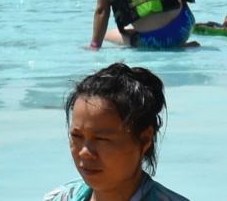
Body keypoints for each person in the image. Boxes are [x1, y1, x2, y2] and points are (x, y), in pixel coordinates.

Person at [45, 63, 187, 201]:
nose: (84, 152)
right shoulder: (60, 198)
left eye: (101, 139)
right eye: (76, 136)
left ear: (144, 139)